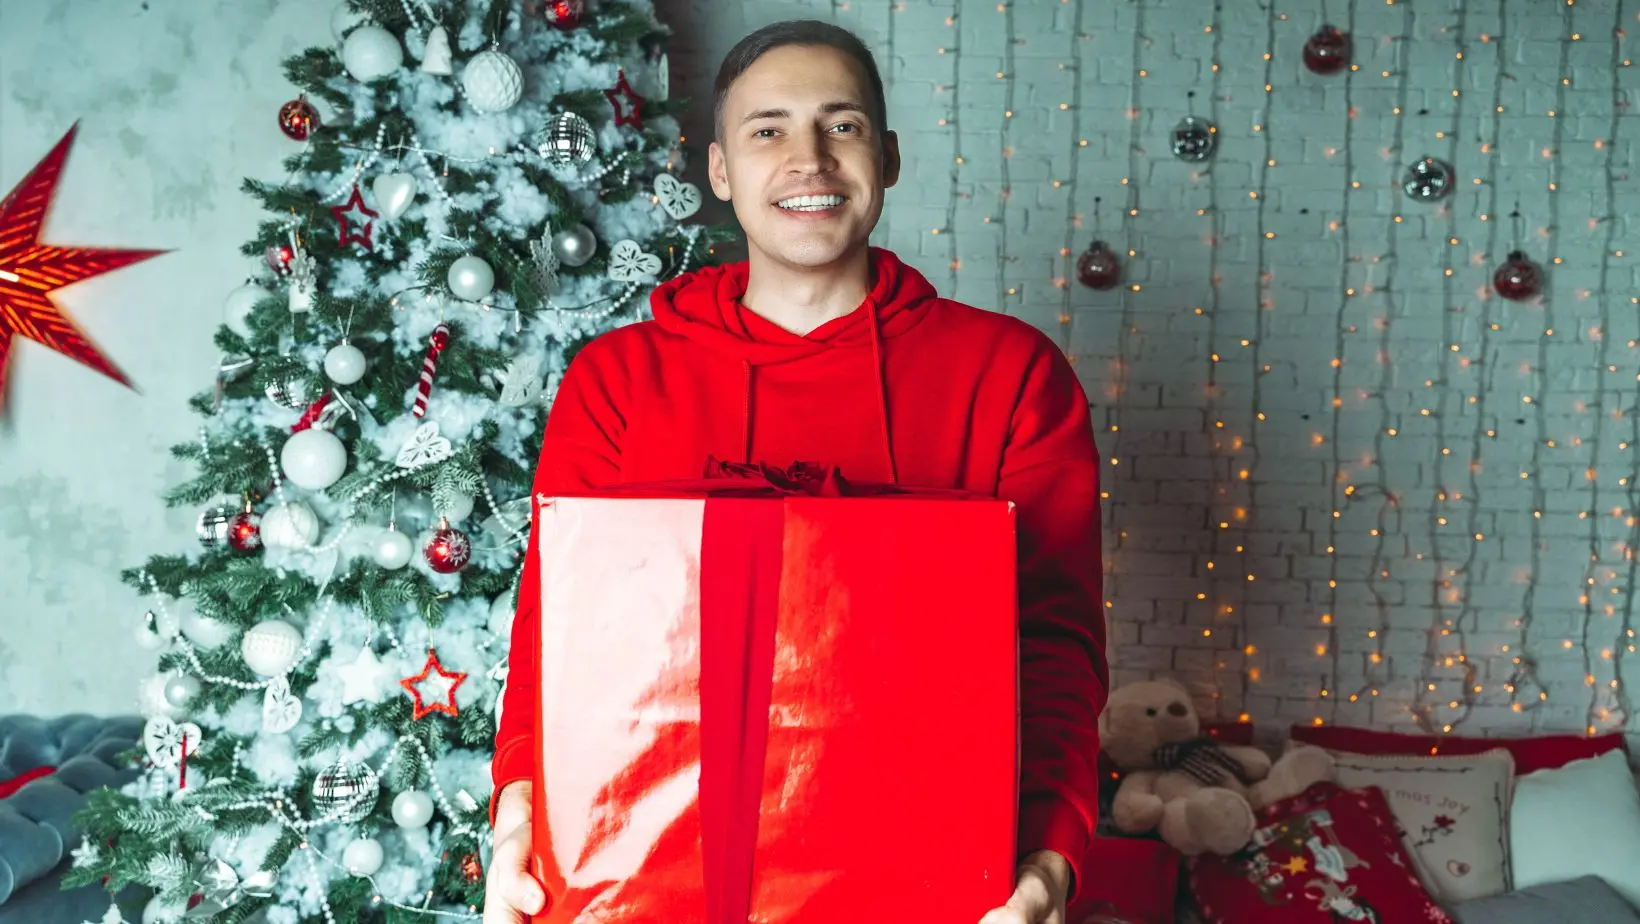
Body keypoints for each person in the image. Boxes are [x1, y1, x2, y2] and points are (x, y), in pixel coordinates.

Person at [484, 19, 1107, 924]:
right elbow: (553, 642)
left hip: (928, 889)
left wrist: (1049, 867)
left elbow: (1055, 649)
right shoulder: (617, 381)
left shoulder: (1009, 375)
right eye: (768, 129)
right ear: (721, 171)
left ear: (887, 157)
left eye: (841, 126)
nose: (808, 159)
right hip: (652, 891)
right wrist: (515, 827)